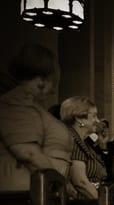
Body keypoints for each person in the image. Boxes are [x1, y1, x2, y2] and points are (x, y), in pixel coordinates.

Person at [0, 44, 72, 191]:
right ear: (42, 79)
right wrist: (60, 184)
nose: (53, 90)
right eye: (54, 79)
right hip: (21, 197)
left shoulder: (31, 104)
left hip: (38, 193)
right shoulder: (16, 101)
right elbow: (28, 153)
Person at [61, 96, 107, 199]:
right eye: (94, 116)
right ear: (78, 118)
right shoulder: (73, 140)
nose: (98, 120)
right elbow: (80, 182)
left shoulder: (84, 142)